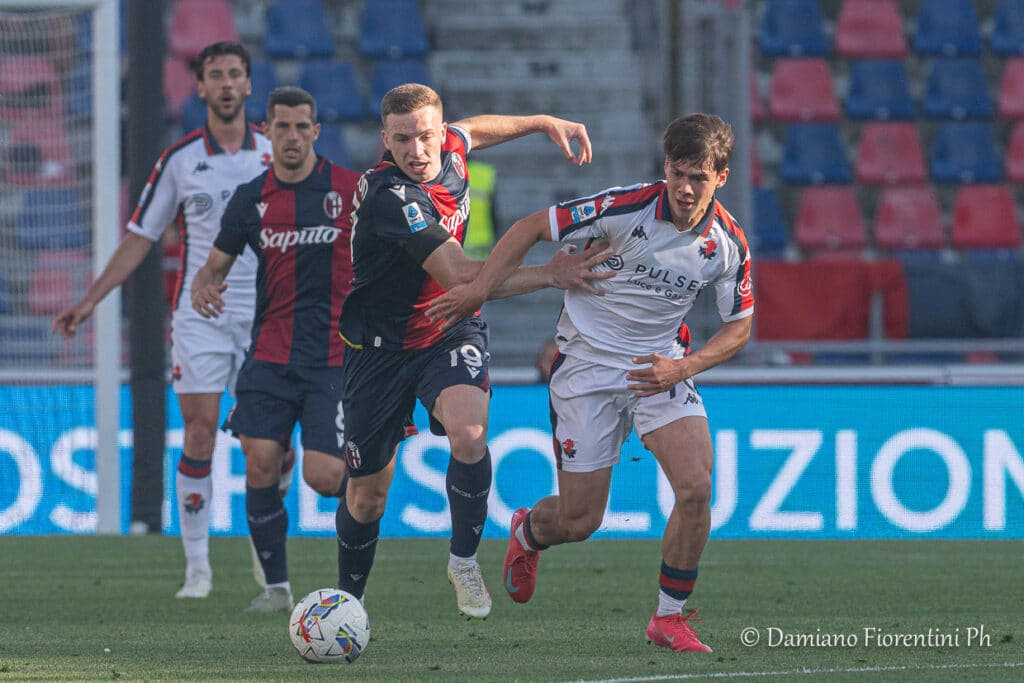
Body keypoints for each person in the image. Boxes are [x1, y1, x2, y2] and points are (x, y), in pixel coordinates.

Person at [426, 113, 754, 652]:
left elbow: (740, 328)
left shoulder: (727, 243)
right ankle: (528, 531)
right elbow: (532, 226)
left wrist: (683, 368)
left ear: (722, 176)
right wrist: (480, 288)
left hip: (658, 368)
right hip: (585, 367)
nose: (685, 187)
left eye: (699, 176)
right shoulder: (624, 207)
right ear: (665, 166)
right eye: (677, 171)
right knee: (580, 521)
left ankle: (668, 618)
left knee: (696, 489)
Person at [336, 83, 612, 621]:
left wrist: (540, 120)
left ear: (440, 132)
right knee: (366, 496)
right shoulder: (391, 197)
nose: (417, 151)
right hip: (379, 348)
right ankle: (349, 601)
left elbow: (477, 129)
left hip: (448, 330)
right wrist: (549, 274)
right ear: (384, 141)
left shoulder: (451, 151)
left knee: (469, 433)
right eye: (402, 140)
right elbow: (466, 277)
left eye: (425, 137)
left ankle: (463, 560)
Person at [52, 41, 281, 600]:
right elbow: (140, 237)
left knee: (267, 448)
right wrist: (92, 299)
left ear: (249, 86)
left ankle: (264, 544)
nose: (226, 84)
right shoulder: (179, 160)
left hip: (270, 313)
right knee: (200, 432)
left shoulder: (277, 153)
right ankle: (197, 568)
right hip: (199, 316)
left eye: (235, 74)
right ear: (199, 88)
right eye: (215, 75)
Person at [191, 86, 356, 613]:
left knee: (326, 479)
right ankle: (277, 589)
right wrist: (204, 287)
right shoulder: (251, 198)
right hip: (268, 354)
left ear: (315, 131)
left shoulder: (351, 191)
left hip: (333, 356)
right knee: (259, 463)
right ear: (266, 132)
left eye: (300, 127)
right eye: (281, 127)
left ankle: (372, 467)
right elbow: (212, 268)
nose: (291, 136)